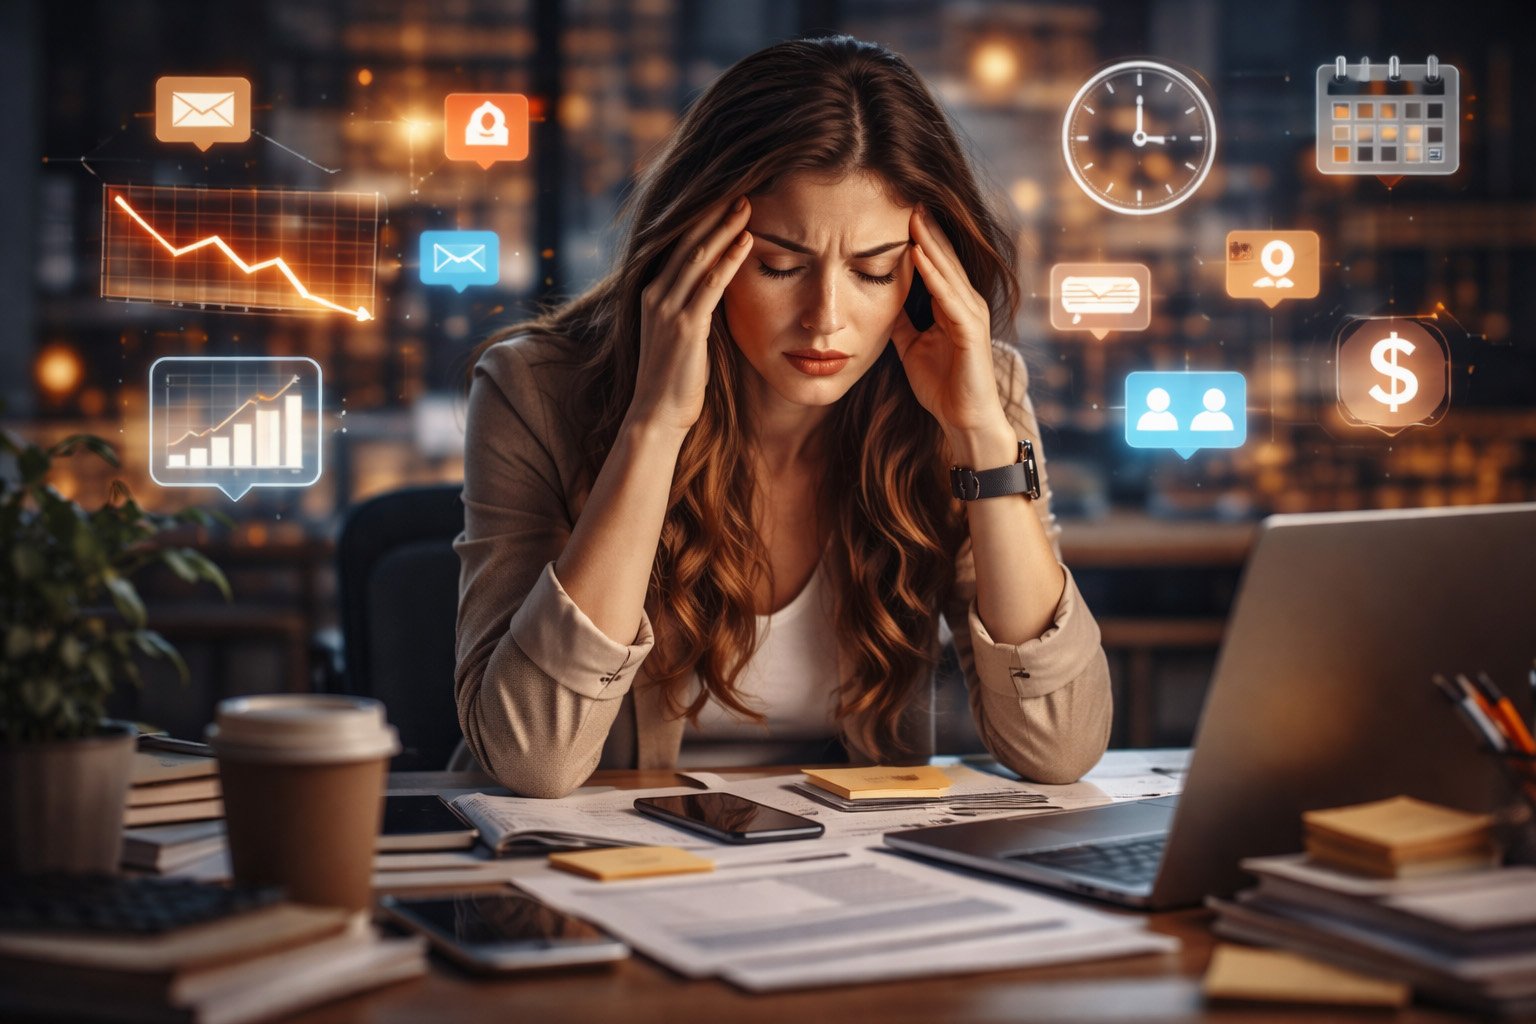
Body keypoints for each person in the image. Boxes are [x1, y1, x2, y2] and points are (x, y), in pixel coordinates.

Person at [455, 35, 1112, 798]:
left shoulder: (973, 392)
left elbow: (1060, 745)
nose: (825, 317)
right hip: (607, 854)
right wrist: (654, 426)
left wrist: (981, 435)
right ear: (696, 248)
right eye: (780, 266)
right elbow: (532, 757)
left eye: (874, 271)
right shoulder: (533, 391)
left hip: (848, 856)